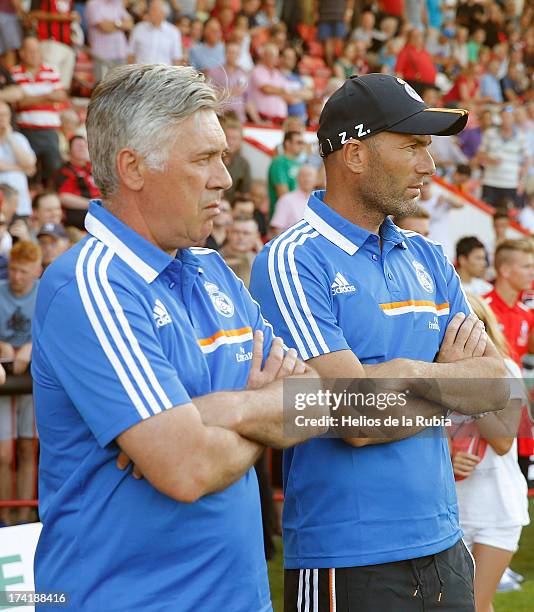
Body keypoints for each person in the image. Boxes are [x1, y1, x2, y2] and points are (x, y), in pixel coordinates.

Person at [31, 64, 325, 611]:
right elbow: (186, 468)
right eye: (203, 158)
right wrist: (260, 409)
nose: (226, 178)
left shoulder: (212, 270)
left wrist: (217, 411)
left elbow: (313, 404)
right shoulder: (90, 284)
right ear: (134, 168)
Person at [250, 73, 508, 611]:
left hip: (445, 545)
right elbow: (354, 419)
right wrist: (443, 381)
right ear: (355, 154)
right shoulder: (293, 259)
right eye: (412, 146)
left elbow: (496, 390)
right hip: (347, 557)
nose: (429, 166)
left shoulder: (429, 257)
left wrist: (404, 374)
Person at [451, 293, 529, 612]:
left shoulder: (507, 370)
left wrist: (470, 390)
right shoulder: (434, 374)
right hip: (452, 510)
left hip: (497, 509)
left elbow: (502, 440)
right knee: (473, 605)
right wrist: (448, 457)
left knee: (472, 605)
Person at [484, 239, 534, 483]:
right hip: (488, 404)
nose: (531, 272)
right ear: (504, 270)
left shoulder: (527, 314)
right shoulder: (483, 308)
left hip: (518, 402)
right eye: (526, 266)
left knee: (517, 476)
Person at [0, 240, 41, 526]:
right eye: (13, 270)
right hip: (3, 381)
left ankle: (25, 516)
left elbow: (56, 335)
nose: (17, 277)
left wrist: (31, 347)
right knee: (3, 453)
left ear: (37, 271)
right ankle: (5, 515)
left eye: (24, 272)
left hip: (32, 381)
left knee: (28, 448)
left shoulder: (43, 294)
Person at [11, 37, 66, 187]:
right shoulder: (14, 73)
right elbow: (18, 103)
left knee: (54, 169)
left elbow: (61, 96)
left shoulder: (51, 70)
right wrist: (47, 96)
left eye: (36, 50)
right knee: (28, 171)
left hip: (49, 130)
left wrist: (30, 98)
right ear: (22, 53)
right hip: (25, 130)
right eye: (30, 51)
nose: (34, 54)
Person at [478, 107, 530, 209]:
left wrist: (522, 181)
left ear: (513, 118)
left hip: (510, 183)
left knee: (509, 212)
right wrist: (490, 159)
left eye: (509, 117)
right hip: (490, 181)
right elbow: (480, 154)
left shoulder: (521, 136)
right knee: (486, 210)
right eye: (504, 116)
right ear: (500, 117)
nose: (506, 120)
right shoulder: (490, 133)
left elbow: (527, 160)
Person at [54, 134, 100, 230]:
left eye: (84, 146)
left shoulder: (94, 168)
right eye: (78, 146)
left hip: (99, 210)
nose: (82, 148)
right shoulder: (66, 171)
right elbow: (64, 197)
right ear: (70, 150)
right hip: (81, 214)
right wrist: (94, 204)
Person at [0, 100, 36, 217]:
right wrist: (23, 169)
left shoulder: (18, 138)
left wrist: (10, 138)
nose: (2, 118)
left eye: (5, 114)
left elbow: (30, 163)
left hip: (21, 206)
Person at [86, 0, 133, 82]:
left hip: (120, 54)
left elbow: (130, 24)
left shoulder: (117, 3)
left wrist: (114, 24)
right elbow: (104, 27)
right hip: (102, 56)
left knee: (120, 88)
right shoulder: (94, 4)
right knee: (102, 88)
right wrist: (120, 25)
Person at [127, 0, 183, 66]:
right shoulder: (138, 28)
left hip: (163, 74)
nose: (150, 12)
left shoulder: (173, 32)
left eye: (154, 10)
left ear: (164, 13)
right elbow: (130, 55)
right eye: (150, 9)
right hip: (141, 74)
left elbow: (177, 59)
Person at [270, 164, 316, 235]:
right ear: (297, 178)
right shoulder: (286, 200)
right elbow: (277, 228)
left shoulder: (320, 200)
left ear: (316, 179)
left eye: (309, 175)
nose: (307, 179)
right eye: (303, 176)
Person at [267, 130, 304, 217]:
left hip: (296, 215)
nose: (302, 146)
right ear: (287, 143)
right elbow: (283, 195)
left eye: (302, 143)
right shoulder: (279, 163)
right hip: (282, 218)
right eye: (299, 143)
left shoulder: (299, 164)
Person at [220, 215, 260, 288]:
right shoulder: (216, 259)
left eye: (246, 233)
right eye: (236, 232)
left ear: (256, 236)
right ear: (227, 233)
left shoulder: (260, 262)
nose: (241, 237)